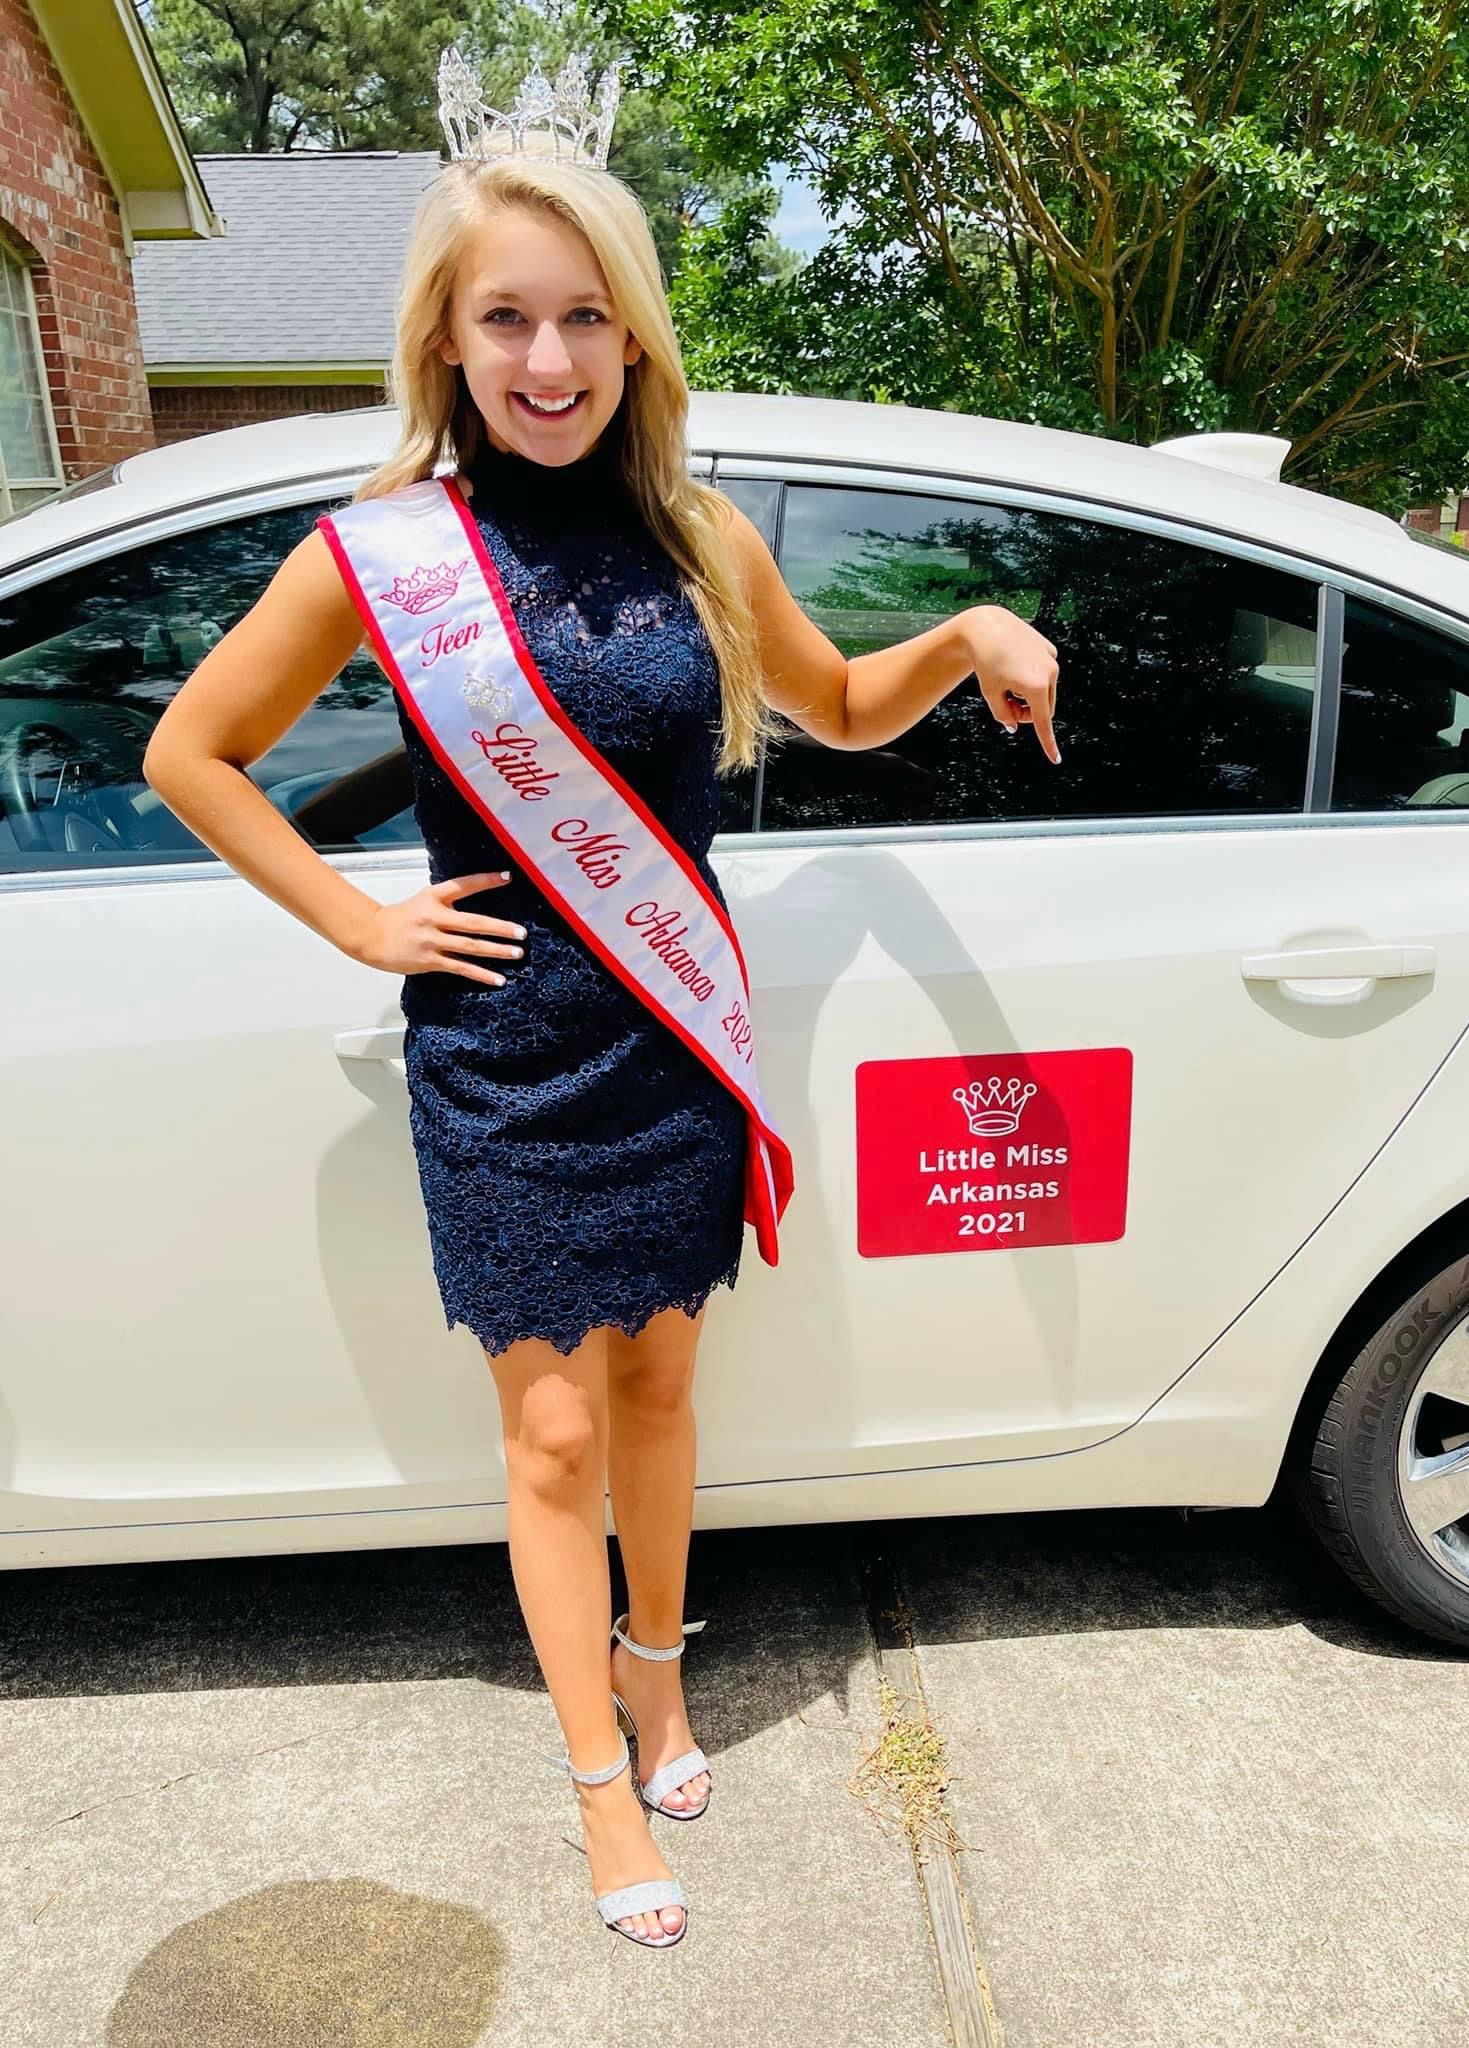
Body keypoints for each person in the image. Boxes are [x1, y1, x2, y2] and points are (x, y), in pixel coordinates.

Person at [143, 122, 1059, 1949]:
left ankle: (657, 1673)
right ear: (446, 339)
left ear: (634, 335)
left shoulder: (698, 535)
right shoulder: (381, 557)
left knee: (658, 1389)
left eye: (583, 317)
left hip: (667, 1035)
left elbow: (840, 705)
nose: (546, 359)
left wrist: (965, 629)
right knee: (550, 1436)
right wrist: (359, 919)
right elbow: (191, 751)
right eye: (505, 318)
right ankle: (592, 1777)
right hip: (503, 1054)